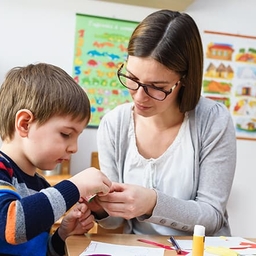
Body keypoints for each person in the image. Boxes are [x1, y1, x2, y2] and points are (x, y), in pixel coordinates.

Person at [86, 9, 237, 236]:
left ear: (184, 81)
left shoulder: (213, 120)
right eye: (132, 78)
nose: (139, 96)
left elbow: (212, 217)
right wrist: (101, 210)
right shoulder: (113, 124)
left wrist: (153, 203)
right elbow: (118, 224)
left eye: (156, 87)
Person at [0, 63, 112, 256]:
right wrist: (75, 186)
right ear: (25, 124)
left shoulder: (40, 185)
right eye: (66, 134)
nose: (74, 148)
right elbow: (11, 226)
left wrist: (62, 235)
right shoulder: (3, 170)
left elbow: (39, 252)